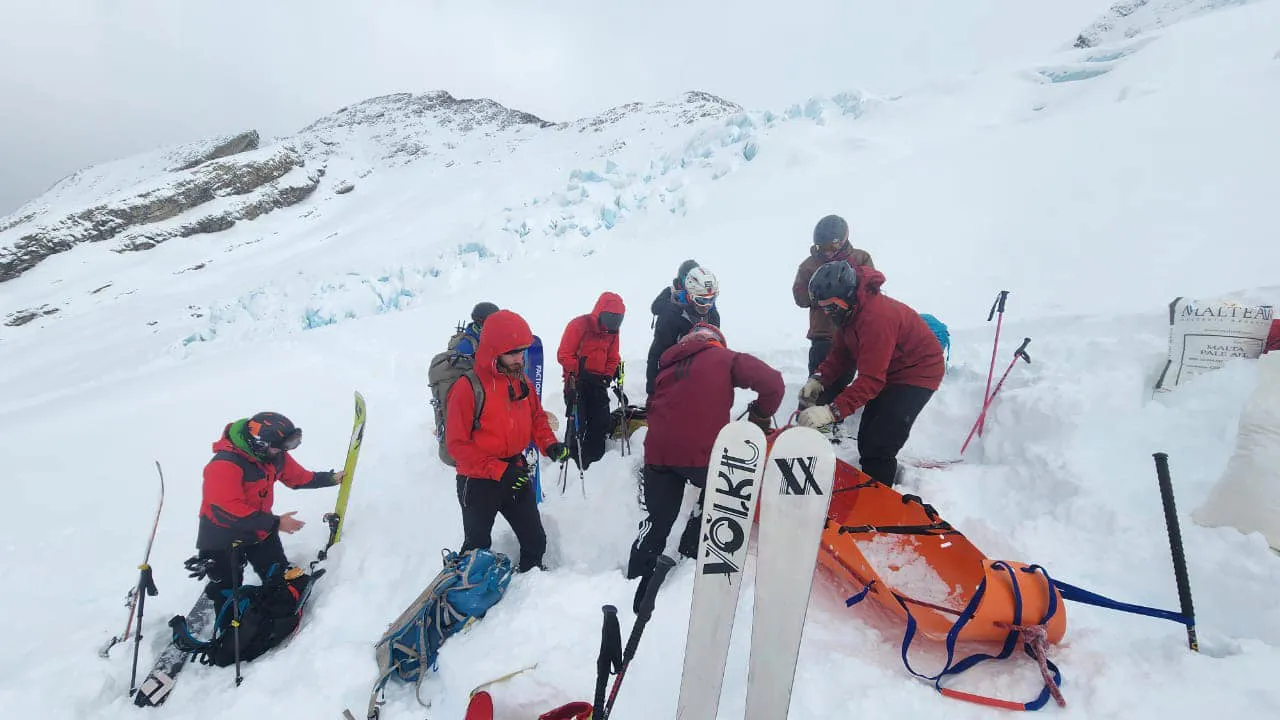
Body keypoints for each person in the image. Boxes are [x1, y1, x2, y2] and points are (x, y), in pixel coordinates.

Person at [627, 322, 784, 582]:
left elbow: (654, 405)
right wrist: (760, 415)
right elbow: (774, 383)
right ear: (716, 341)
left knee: (657, 520)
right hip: (701, 454)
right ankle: (691, 559)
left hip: (658, 452)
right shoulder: (726, 358)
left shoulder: (667, 366)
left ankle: (636, 576)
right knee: (715, 500)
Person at [797, 261, 944, 486]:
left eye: (830, 306)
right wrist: (818, 379)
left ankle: (878, 499)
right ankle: (871, 483)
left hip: (917, 372)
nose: (827, 313)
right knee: (866, 439)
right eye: (823, 307)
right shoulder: (849, 314)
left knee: (880, 443)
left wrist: (830, 412)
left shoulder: (876, 318)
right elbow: (841, 355)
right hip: (890, 370)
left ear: (846, 296)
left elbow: (871, 380)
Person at [447, 309, 569, 573]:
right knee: (476, 547)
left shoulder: (521, 381)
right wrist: (499, 472)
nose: (519, 358)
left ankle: (529, 586)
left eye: (522, 351)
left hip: (515, 471)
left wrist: (549, 444)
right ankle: (469, 594)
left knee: (535, 541)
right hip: (478, 480)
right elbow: (456, 446)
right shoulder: (468, 388)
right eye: (512, 353)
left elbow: (536, 417)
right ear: (494, 351)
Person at [196, 412, 343, 604]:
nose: (284, 452)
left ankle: (277, 604)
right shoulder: (224, 466)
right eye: (280, 447)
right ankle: (227, 619)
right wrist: (276, 523)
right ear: (259, 444)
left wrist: (329, 479)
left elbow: (297, 477)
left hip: (260, 529)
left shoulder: (273, 454)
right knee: (227, 591)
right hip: (222, 535)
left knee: (277, 573)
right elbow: (227, 511)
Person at [792, 214, 875, 406]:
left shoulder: (860, 258)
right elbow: (799, 296)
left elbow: (871, 289)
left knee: (843, 377)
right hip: (824, 333)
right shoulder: (809, 265)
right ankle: (804, 419)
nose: (827, 253)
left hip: (852, 331)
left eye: (832, 247)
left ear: (843, 241)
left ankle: (833, 420)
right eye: (822, 248)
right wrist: (820, 294)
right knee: (818, 377)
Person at [557, 291, 626, 470]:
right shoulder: (579, 325)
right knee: (577, 422)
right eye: (610, 319)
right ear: (600, 313)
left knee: (600, 421)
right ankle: (572, 461)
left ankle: (595, 461)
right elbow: (563, 354)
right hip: (576, 380)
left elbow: (613, 357)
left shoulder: (613, 332)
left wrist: (608, 375)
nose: (612, 325)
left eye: (617, 320)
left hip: (598, 382)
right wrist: (580, 369)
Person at [646, 264, 721, 395]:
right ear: (690, 296)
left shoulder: (712, 315)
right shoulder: (671, 316)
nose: (707, 306)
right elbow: (658, 355)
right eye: (701, 300)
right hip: (674, 375)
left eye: (712, 299)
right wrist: (653, 391)